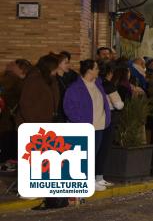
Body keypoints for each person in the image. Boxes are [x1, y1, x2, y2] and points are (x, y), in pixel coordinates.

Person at [63, 60, 112, 192]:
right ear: (89, 70)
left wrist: (106, 119)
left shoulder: (98, 85)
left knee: (94, 155)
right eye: (96, 68)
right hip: (86, 127)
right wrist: (80, 122)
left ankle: (91, 179)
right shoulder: (75, 88)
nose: (98, 71)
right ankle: (86, 181)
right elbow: (69, 108)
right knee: (86, 155)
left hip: (100, 126)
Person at [0, 59, 32, 162]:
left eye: (14, 65)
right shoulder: (26, 81)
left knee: (7, 143)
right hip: (15, 120)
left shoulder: (12, 78)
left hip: (8, 120)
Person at [16, 55, 60, 126]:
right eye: (56, 68)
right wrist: (34, 124)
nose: (57, 70)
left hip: (45, 122)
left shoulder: (51, 79)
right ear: (49, 68)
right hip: (32, 124)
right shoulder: (34, 80)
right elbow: (25, 104)